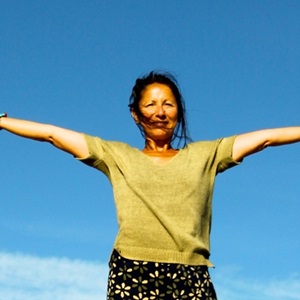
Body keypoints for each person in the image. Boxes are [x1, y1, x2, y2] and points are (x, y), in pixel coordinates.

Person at [1, 71, 300, 300]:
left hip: (191, 273)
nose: (160, 112)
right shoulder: (116, 155)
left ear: (178, 112)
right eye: (151, 104)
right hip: (132, 270)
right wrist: (2, 122)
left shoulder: (206, 155)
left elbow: (265, 138)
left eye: (168, 104)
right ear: (136, 113)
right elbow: (52, 134)